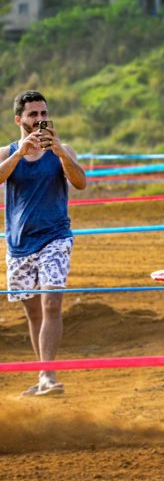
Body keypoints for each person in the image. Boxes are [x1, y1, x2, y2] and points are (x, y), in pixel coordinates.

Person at [0, 90, 87, 396]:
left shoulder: (62, 150)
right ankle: (42, 377)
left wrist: (61, 151)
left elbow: (80, 182)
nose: (39, 120)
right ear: (19, 119)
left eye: (43, 114)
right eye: (33, 115)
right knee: (33, 313)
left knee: (51, 302)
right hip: (20, 244)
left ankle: (48, 375)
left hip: (56, 238)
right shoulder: (7, 152)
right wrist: (18, 154)